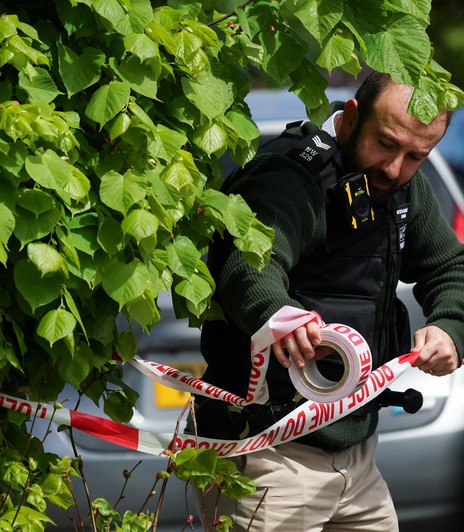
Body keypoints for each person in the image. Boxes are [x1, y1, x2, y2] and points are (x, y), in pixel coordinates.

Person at [192, 71, 464, 531]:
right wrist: (278, 315)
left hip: (358, 461)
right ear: (352, 115)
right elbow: (252, 267)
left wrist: (451, 327)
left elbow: (450, 268)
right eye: (386, 143)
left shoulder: (401, 188)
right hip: (267, 459)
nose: (395, 169)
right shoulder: (290, 178)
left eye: (417, 156)